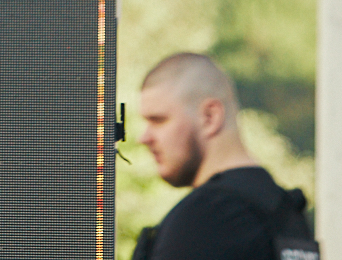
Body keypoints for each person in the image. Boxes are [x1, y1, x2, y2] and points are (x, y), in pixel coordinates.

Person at [131, 53, 316, 260]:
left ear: (210, 117)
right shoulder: (286, 215)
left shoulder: (204, 220)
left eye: (158, 120)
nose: (144, 138)